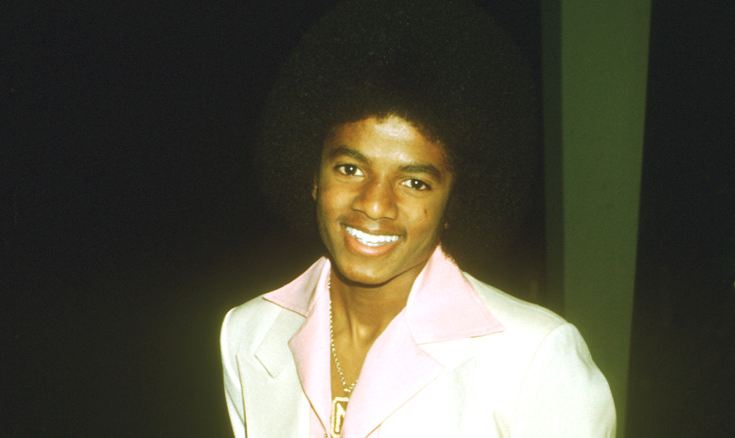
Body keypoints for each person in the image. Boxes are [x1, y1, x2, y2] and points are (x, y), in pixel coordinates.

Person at [220, 1, 616, 437]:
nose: (374, 205)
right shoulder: (249, 334)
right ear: (312, 176)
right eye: (351, 169)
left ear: (454, 205)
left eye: (415, 183)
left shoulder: (532, 357)